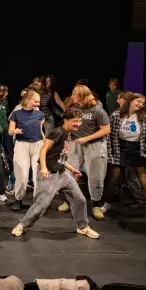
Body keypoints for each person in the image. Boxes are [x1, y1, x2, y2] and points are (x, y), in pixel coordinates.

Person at [11, 108, 100, 239]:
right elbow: (43, 150)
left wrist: (71, 169)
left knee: (79, 199)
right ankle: (22, 225)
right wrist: (43, 168)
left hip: (62, 173)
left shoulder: (68, 134)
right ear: (66, 120)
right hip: (49, 174)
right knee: (41, 205)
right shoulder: (57, 132)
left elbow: (60, 157)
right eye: (75, 121)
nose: (78, 124)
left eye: (80, 121)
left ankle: (83, 227)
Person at [102, 93, 146, 221]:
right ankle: (106, 204)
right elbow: (108, 135)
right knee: (113, 179)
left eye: (143, 103)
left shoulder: (144, 118)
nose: (140, 104)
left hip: (137, 150)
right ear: (131, 100)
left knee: (145, 182)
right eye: (138, 101)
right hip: (120, 149)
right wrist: (109, 151)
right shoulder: (116, 115)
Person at [60, 85, 110, 220]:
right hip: (75, 144)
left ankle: (95, 205)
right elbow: (67, 124)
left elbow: (106, 130)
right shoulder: (74, 108)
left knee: (95, 176)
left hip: (94, 145)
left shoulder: (98, 110)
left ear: (82, 96)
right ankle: (69, 201)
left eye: (74, 94)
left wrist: (87, 138)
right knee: (70, 173)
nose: (72, 96)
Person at [8, 89, 45, 211]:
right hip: (21, 145)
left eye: (39, 102)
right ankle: (18, 199)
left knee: (37, 175)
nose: (38, 104)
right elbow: (10, 131)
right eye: (36, 101)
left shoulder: (40, 115)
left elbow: (40, 130)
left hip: (37, 144)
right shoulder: (17, 114)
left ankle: (38, 202)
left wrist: (46, 144)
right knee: (22, 175)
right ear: (28, 100)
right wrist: (15, 131)